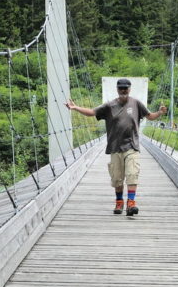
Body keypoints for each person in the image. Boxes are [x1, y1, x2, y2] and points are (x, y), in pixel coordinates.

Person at [65, 78, 167, 216]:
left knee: (132, 173)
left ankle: (131, 203)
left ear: (129, 89)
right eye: (121, 88)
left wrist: (159, 113)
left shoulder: (136, 103)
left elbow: (150, 116)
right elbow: (92, 112)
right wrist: (75, 108)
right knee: (117, 178)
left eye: (126, 88)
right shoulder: (109, 106)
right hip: (115, 147)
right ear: (117, 89)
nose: (123, 90)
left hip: (132, 145)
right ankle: (119, 202)